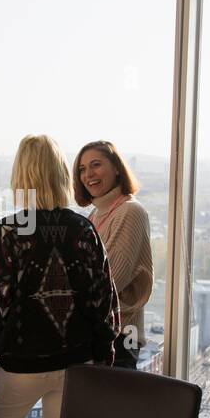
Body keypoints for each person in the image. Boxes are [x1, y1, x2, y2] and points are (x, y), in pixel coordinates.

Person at [0, 134, 119, 418]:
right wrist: (103, 358)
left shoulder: (7, 233)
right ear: (61, 174)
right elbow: (103, 300)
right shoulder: (84, 229)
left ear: (21, 176)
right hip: (77, 365)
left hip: (22, 366)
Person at [75, 140, 154, 370]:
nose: (88, 174)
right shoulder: (95, 214)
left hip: (120, 336)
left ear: (117, 168)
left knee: (112, 405)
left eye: (96, 165)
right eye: (82, 169)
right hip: (98, 332)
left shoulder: (131, 211)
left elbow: (111, 280)